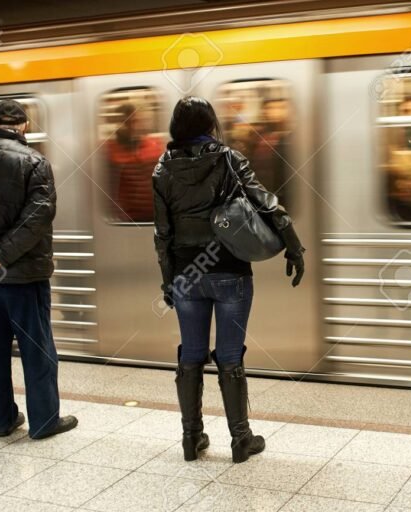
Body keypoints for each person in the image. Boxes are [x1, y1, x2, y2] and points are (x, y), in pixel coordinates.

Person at [152, 97, 305, 463]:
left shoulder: (162, 170)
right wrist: (294, 247)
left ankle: (191, 438)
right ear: (210, 125)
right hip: (230, 271)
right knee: (230, 357)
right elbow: (266, 203)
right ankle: (240, 439)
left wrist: (168, 281)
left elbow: (162, 234)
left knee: (190, 355)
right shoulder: (228, 159)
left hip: (188, 275)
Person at [0, 99, 78, 440]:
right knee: (37, 350)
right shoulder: (36, 161)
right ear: (24, 126)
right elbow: (38, 217)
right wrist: (1, 253)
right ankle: (43, 422)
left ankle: (2, 421)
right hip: (24, 275)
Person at [106, 103, 164, 222]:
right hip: (128, 219)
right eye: (126, 122)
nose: (132, 126)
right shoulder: (111, 150)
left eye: (135, 121)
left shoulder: (154, 146)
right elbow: (111, 188)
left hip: (156, 215)